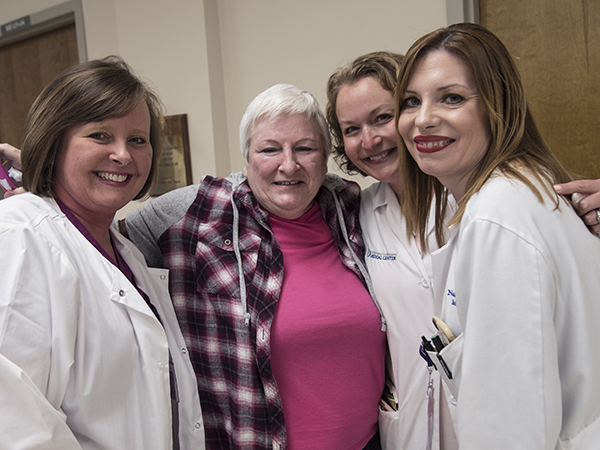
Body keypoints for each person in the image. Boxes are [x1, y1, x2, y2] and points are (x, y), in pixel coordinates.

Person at [326, 49, 600, 450]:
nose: (369, 139)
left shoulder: (480, 198)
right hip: (413, 422)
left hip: (498, 416)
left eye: (382, 117)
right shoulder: (357, 212)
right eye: (352, 129)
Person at [118, 83, 387, 449]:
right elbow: (99, 237)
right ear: (246, 158)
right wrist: (49, 194)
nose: (288, 164)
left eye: (305, 148)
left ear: (325, 157)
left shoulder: (352, 208)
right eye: (269, 149)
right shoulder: (197, 214)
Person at [0, 57, 204, 449]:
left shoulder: (124, 251)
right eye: (99, 135)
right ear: (54, 141)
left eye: (137, 140)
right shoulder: (20, 235)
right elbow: (15, 426)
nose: (123, 155)